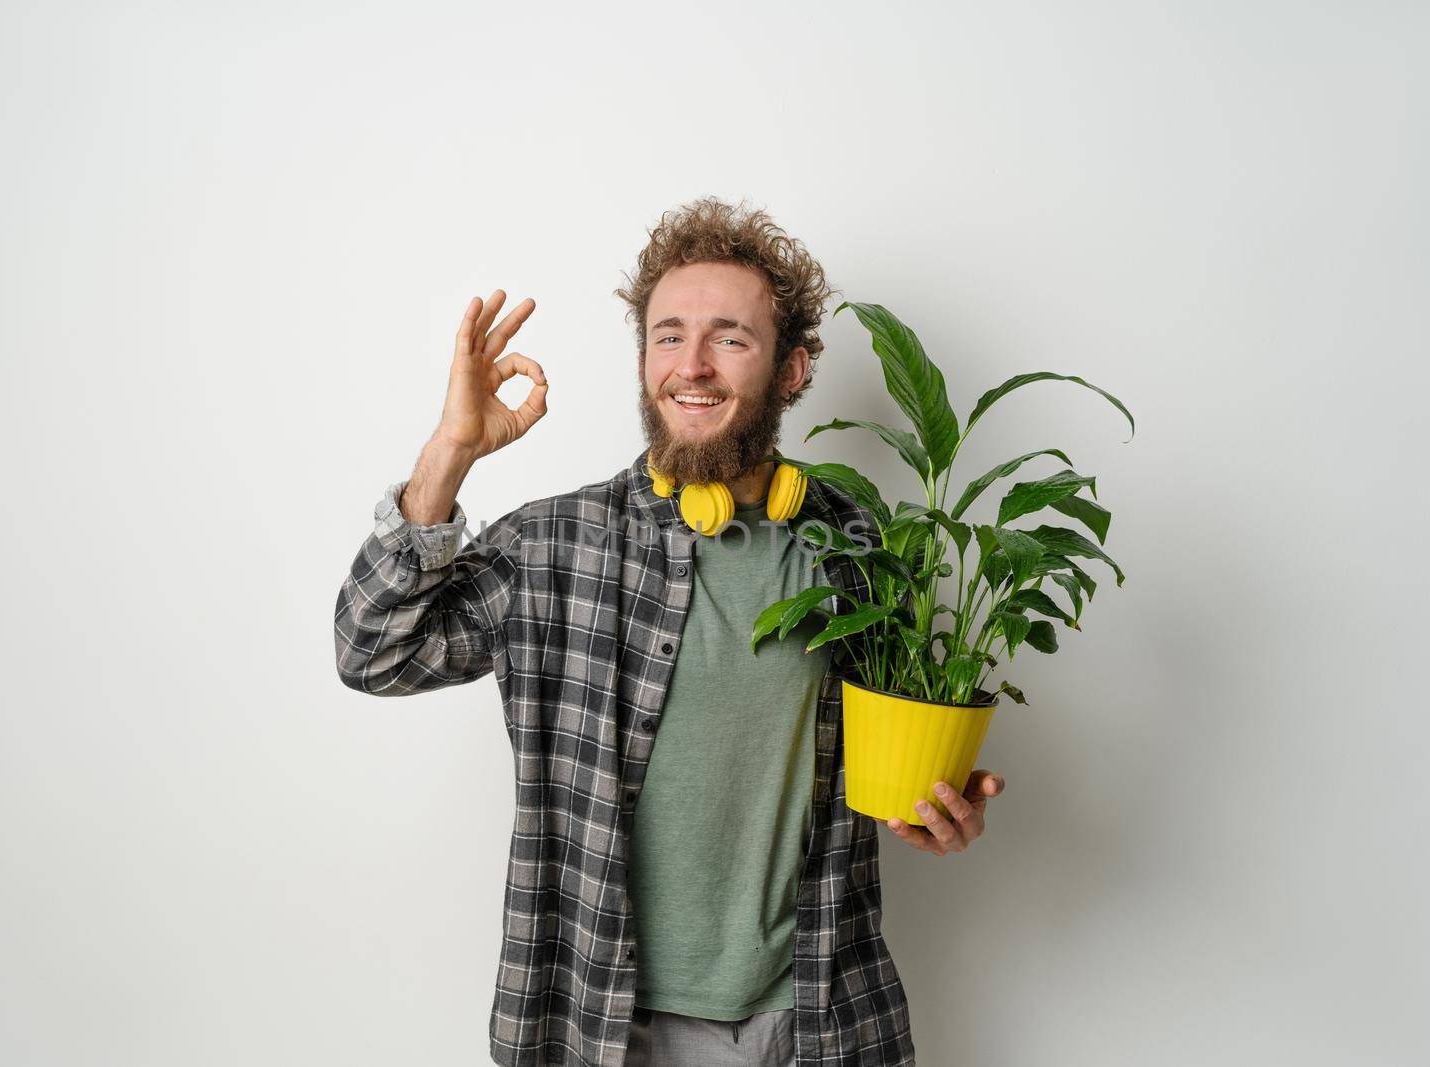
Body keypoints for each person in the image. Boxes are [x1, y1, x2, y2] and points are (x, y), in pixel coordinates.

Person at [334, 196, 1004, 1067]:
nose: (691, 365)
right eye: (666, 335)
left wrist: (939, 807)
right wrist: (453, 448)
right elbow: (371, 648)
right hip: (605, 1026)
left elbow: (901, 759)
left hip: (819, 1023)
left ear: (793, 370)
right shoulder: (554, 546)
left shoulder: (859, 546)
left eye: (730, 337)